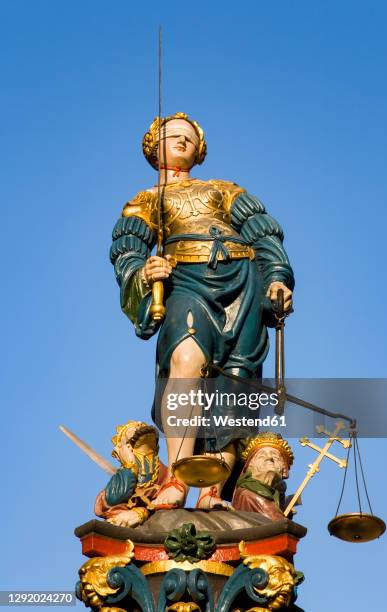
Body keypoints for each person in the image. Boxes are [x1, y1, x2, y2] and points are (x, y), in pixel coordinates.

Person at [110, 112, 294, 510]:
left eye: (188, 137)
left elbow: (262, 231)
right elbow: (127, 250)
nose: (180, 141)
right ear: (153, 148)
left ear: (200, 149)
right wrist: (144, 270)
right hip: (187, 281)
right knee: (186, 357)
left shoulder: (224, 190)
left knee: (235, 381)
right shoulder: (143, 202)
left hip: (242, 282)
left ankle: (214, 486)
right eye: (171, 136)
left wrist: (277, 276)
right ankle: (177, 477)